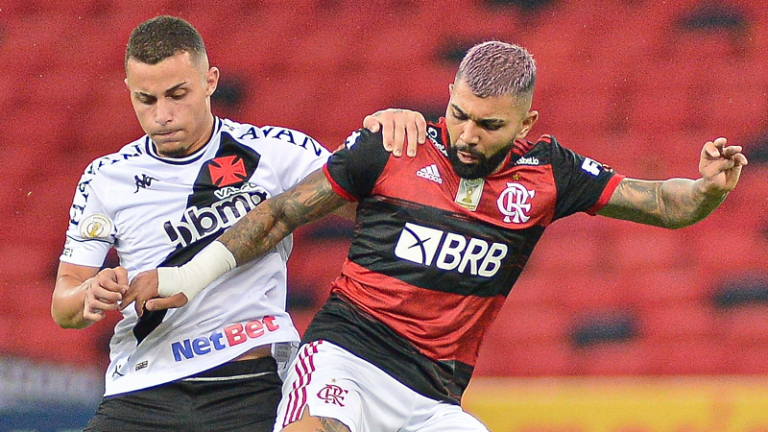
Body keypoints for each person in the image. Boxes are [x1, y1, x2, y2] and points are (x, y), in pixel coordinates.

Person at [123, 41, 748, 432]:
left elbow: (664, 203)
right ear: (448, 96)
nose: (467, 134)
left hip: (434, 397)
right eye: (459, 115)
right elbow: (281, 213)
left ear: (526, 122)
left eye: (489, 125)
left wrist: (709, 189)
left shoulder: (551, 174)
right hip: (346, 357)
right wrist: (185, 277)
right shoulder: (393, 146)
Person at [50, 15, 427, 432]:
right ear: (128, 90)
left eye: (178, 95)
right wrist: (90, 293)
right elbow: (64, 306)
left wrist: (388, 133)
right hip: (143, 386)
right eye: (146, 99)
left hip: (250, 383)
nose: (163, 115)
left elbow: (379, 208)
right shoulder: (106, 177)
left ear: (210, 80)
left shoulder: (276, 152)